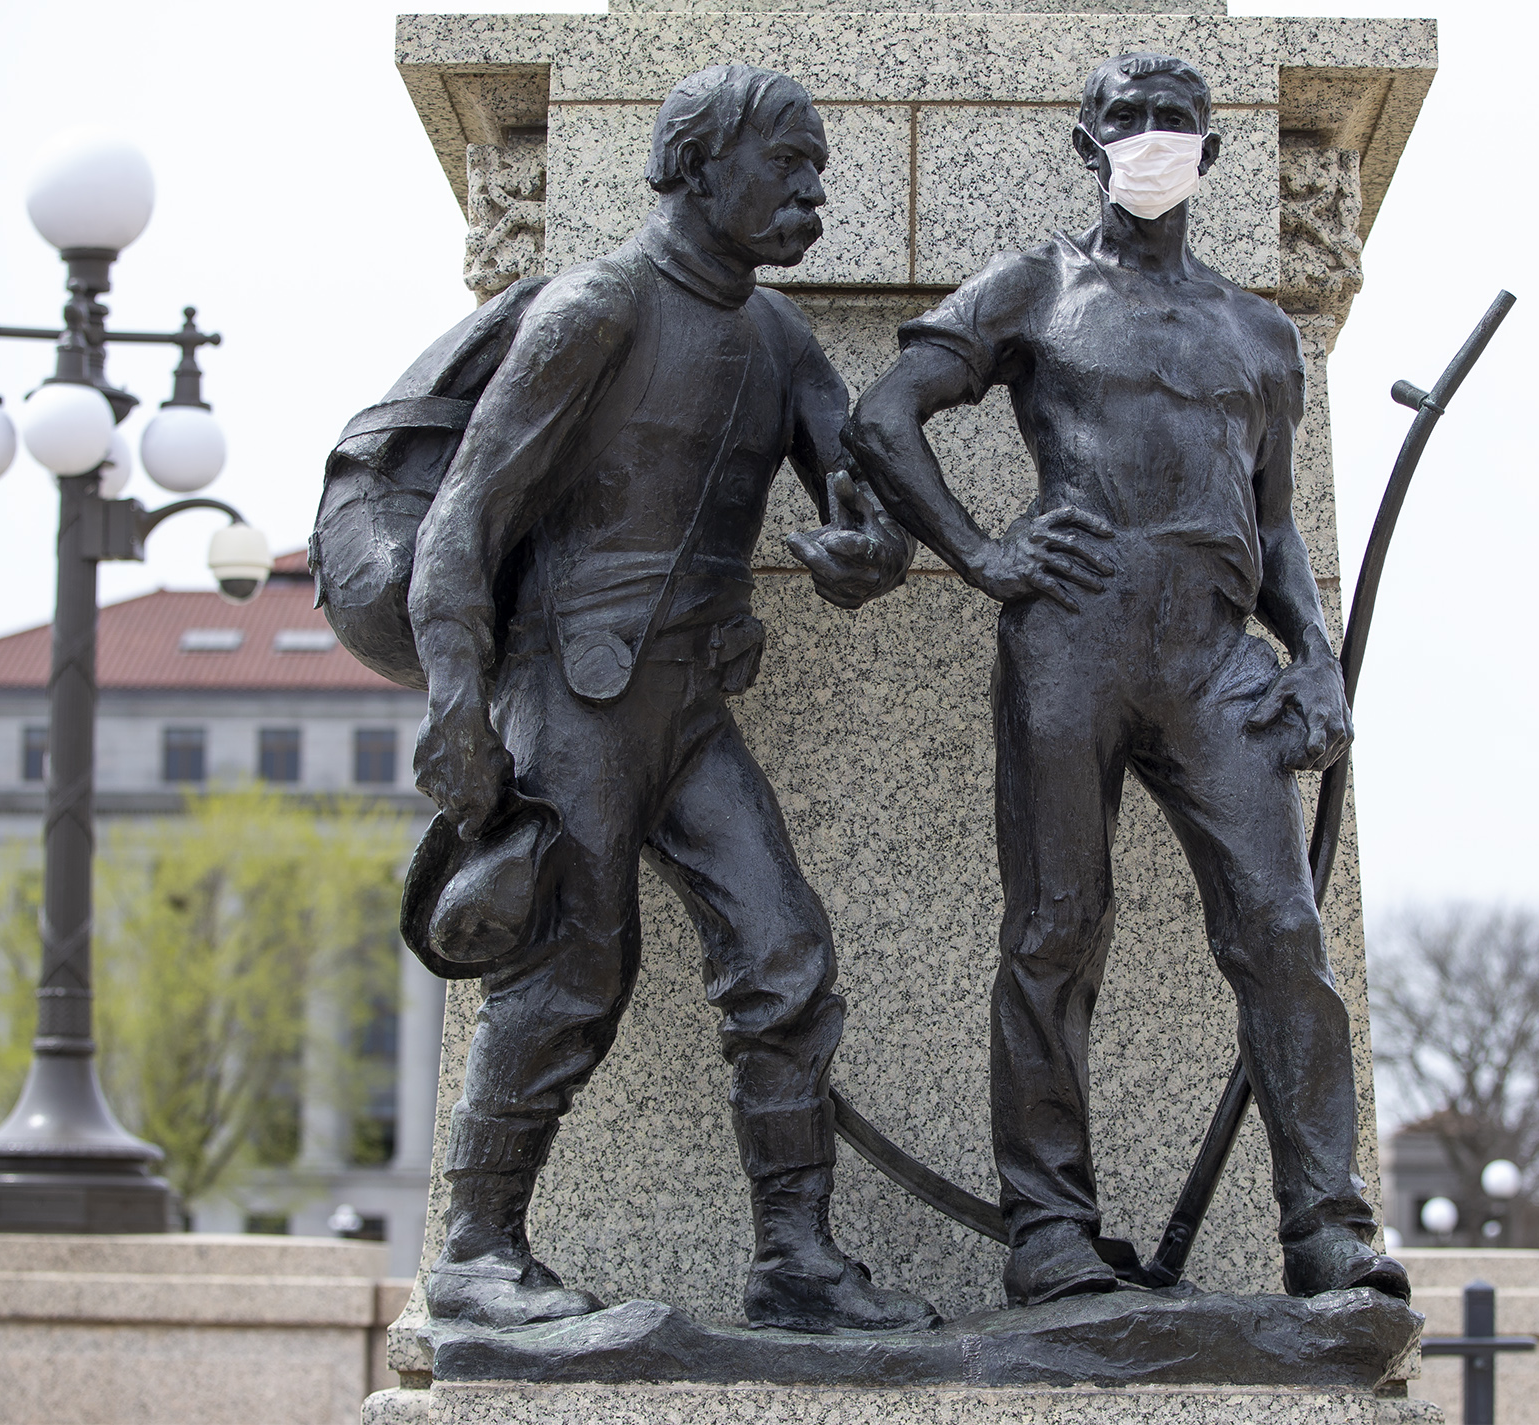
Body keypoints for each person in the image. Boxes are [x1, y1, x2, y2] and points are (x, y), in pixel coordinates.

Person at [845, 52, 1409, 1308]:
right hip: (1071, 638)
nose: (1155, 138)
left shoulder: (1260, 332)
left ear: (1212, 147)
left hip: (1218, 655)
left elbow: (1275, 527)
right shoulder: (1037, 285)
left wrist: (1313, 653)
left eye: (1179, 122)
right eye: (1131, 120)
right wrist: (985, 554)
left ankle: (1326, 1226)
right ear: (1087, 139)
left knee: (1280, 931)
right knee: (1057, 927)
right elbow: (882, 419)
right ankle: (1050, 1227)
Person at [404, 63, 934, 1335]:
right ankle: (475, 1252)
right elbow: (461, 521)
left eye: (821, 167)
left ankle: (795, 1260)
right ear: (701, 165)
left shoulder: (781, 339)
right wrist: (455, 704)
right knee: (572, 971)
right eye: (790, 162)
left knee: (786, 953)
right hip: (572, 695)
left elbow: (862, 511)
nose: (815, 189)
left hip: (692, 704)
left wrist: (870, 555)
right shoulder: (600, 306)